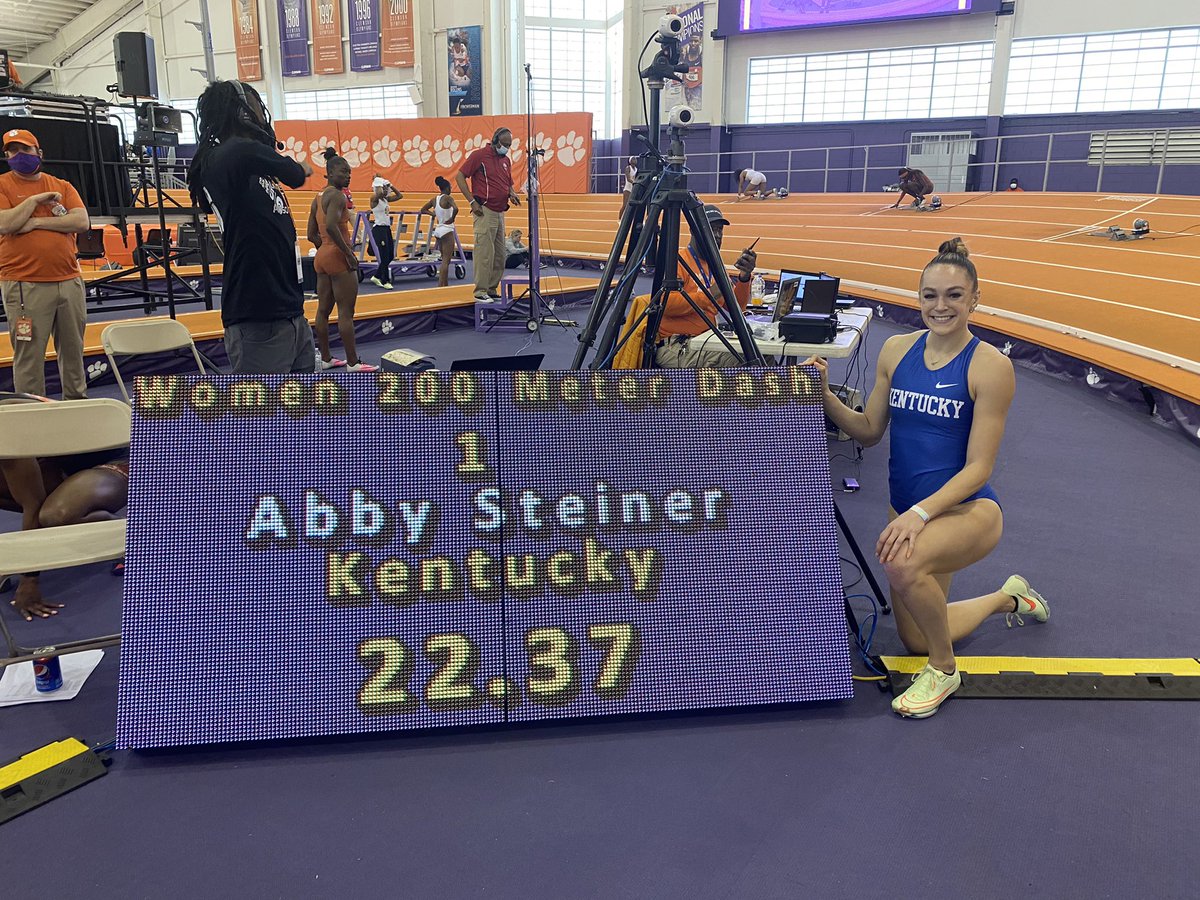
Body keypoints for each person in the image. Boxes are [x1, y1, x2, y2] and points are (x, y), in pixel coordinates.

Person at [808, 238, 1049, 719]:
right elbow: (871, 432)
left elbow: (980, 467)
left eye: (954, 295)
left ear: (975, 299)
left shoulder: (990, 367)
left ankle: (944, 670)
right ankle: (1010, 597)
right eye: (930, 295)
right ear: (918, 298)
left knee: (901, 563)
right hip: (913, 514)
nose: (941, 306)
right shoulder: (896, 351)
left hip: (968, 511)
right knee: (915, 634)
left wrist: (920, 514)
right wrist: (826, 397)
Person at [187, 80, 316, 374]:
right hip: (258, 316)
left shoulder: (246, 163)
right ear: (241, 110)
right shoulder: (229, 156)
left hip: (289, 311)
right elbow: (293, 174)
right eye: (256, 104)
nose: (262, 113)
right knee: (264, 418)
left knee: (302, 417)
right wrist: (300, 167)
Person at [0, 392, 129, 621]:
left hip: (113, 460)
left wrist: (29, 578)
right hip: (58, 466)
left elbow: (32, 503)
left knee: (54, 516)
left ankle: (130, 533)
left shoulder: (7, 419)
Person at [0, 127, 91, 400]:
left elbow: (80, 222)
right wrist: (35, 200)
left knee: (74, 351)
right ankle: (32, 413)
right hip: (24, 284)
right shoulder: (3, 185)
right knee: (29, 356)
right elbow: (7, 224)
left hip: (68, 280)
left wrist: (36, 222)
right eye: (13, 150)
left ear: (39, 152)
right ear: (6, 156)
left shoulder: (62, 185)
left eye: (25, 149)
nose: (20, 155)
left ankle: (77, 403)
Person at [650, 204, 757, 369]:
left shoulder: (715, 266)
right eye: (711, 229)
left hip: (707, 342)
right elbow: (666, 305)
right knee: (749, 361)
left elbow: (737, 308)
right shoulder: (677, 261)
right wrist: (709, 295)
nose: (717, 235)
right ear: (693, 231)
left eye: (720, 230)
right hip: (678, 345)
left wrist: (744, 277)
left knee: (759, 355)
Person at [307, 148, 377, 372]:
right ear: (329, 172)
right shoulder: (337, 196)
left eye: (350, 173)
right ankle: (353, 362)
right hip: (338, 256)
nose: (348, 176)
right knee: (346, 312)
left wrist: (324, 249)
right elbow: (329, 226)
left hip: (322, 257)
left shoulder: (317, 198)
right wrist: (347, 253)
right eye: (343, 172)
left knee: (322, 311)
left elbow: (311, 234)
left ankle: (325, 358)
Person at [456, 127, 521, 302]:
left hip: (500, 211)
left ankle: (491, 288)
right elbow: (460, 176)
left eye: (509, 145)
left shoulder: (506, 160)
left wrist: (512, 193)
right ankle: (480, 291)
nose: (507, 148)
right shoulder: (479, 156)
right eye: (505, 144)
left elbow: (507, 183)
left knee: (499, 254)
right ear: (495, 141)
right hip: (484, 210)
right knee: (484, 253)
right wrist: (471, 201)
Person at [418, 176, 459, 287]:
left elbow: (423, 209)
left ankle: (442, 283)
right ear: (446, 188)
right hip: (447, 230)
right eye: (450, 187)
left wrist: (433, 214)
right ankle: (443, 285)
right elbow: (456, 208)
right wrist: (452, 218)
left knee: (443, 260)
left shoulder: (434, 199)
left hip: (438, 230)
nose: (451, 189)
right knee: (446, 260)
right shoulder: (448, 198)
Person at [369, 174, 402, 289]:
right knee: (383, 255)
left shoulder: (385, 199)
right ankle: (385, 280)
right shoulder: (374, 198)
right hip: (379, 229)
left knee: (390, 255)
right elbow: (378, 194)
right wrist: (378, 182)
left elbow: (399, 196)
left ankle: (377, 276)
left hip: (386, 228)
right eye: (383, 187)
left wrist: (391, 185)